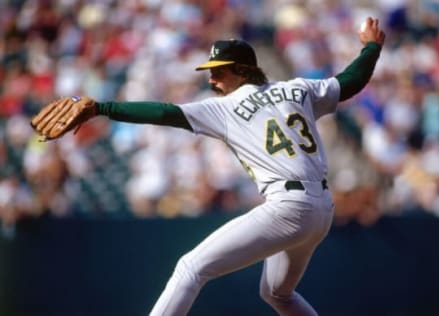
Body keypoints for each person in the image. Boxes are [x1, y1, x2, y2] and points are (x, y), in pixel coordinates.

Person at [49, 17, 384, 316]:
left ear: (242, 70)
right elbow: (351, 80)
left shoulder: (227, 108)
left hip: (289, 207)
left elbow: (166, 113)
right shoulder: (296, 88)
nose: (212, 79)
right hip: (322, 209)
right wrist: (370, 47)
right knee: (277, 293)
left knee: (190, 268)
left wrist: (102, 107)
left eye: (218, 71)